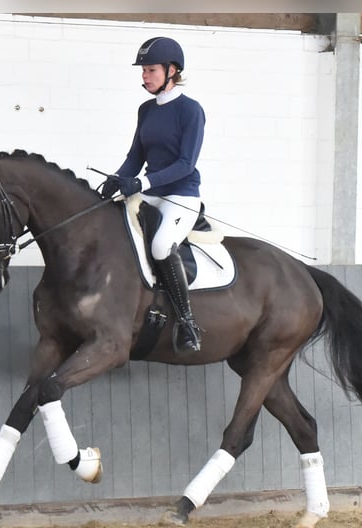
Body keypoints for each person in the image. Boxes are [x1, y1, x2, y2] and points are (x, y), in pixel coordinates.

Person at [102, 36, 205, 353]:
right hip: (148, 193)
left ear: (172, 71)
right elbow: (136, 156)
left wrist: (142, 183)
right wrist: (118, 178)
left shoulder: (190, 111)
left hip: (180, 195)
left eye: (150, 70)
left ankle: (188, 324)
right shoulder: (146, 110)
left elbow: (186, 164)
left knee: (161, 246)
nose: (144, 76)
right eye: (143, 71)